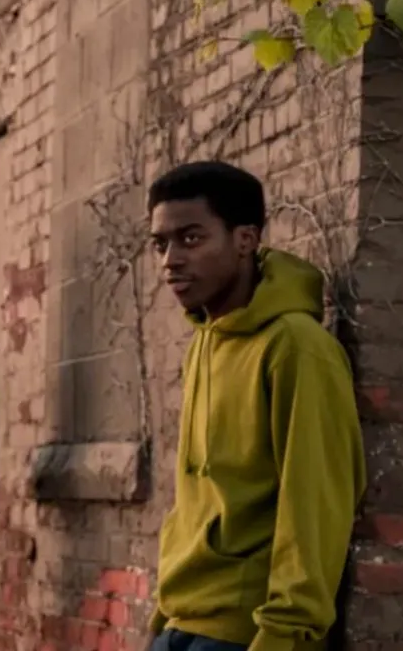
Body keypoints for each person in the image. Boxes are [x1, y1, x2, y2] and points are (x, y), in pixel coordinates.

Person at [144, 161, 366, 651]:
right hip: (182, 624)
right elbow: (200, 496)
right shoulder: (204, 342)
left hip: (247, 634)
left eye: (191, 239)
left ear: (245, 239)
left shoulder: (296, 348)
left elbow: (315, 506)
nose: (170, 260)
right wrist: (163, 615)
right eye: (160, 244)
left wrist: (283, 637)